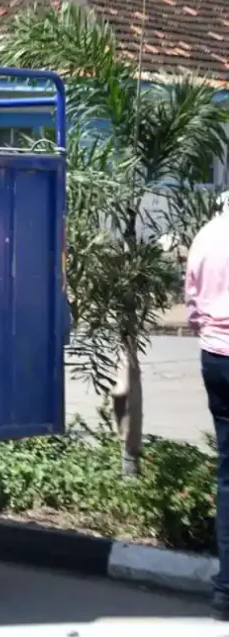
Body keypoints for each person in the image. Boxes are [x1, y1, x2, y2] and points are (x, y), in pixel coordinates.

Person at [185, 203, 229, 621]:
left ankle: (226, 592)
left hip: (215, 357)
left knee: (228, 475)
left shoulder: (207, 234)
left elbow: (192, 303)